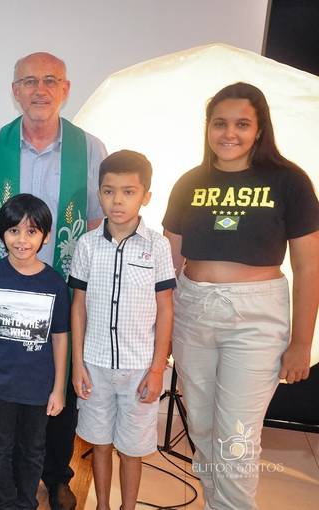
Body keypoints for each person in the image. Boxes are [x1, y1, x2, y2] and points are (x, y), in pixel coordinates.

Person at [163, 82, 319, 510]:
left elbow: (309, 268)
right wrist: (159, 329)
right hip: (193, 309)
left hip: (256, 317)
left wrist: (301, 343)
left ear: (259, 129)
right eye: (220, 123)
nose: (229, 133)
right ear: (207, 127)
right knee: (202, 428)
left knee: (236, 436)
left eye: (242, 124)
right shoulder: (189, 182)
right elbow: (168, 264)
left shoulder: (289, 181)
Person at [0, 51, 107, 510]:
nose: (39, 90)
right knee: (7, 387)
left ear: (65, 89)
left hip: (62, 287)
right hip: (6, 289)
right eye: (28, 81)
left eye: (49, 80)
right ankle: (3, 477)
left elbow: (97, 225)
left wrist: (90, 293)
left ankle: (56, 474)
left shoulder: (91, 149)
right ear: (15, 91)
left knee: (59, 380)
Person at [69, 151, 175, 510]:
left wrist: (157, 369)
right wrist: (77, 364)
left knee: (132, 450)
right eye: (108, 191)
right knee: (100, 445)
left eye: (129, 192)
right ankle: (102, 505)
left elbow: (165, 308)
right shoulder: (87, 245)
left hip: (139, 368)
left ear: (146, 196)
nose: (117, 201)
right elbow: (78, 306)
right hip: (95, 365)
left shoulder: (158, 246)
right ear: (99, 193)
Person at [0, 193, 69, 509]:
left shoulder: (54, 283)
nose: (22, 240)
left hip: (38, 388)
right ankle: (5, 502)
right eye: (14, 230)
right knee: (0, 448)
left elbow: (60, 338)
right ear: (2, 234)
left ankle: (25, 503)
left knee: (33, 450)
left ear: (45, 236)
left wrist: (59, 389)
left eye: (31, 231)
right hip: (0, 385)